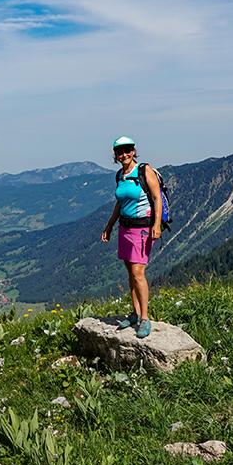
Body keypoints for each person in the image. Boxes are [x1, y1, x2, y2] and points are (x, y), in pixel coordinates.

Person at [100, 136, 162, 339]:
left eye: (127, 150)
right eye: (120, 152)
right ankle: (135, 313)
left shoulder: (144, 170)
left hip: (142, 228)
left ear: (134, 151)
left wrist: (157, 224)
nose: (124, 154)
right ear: (115, 155)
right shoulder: (120, 175)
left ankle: (145, 318)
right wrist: (109, 226)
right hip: (124, 229)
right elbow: (120, 203)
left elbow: (156, 198)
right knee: (130, 273)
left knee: (138, 273)